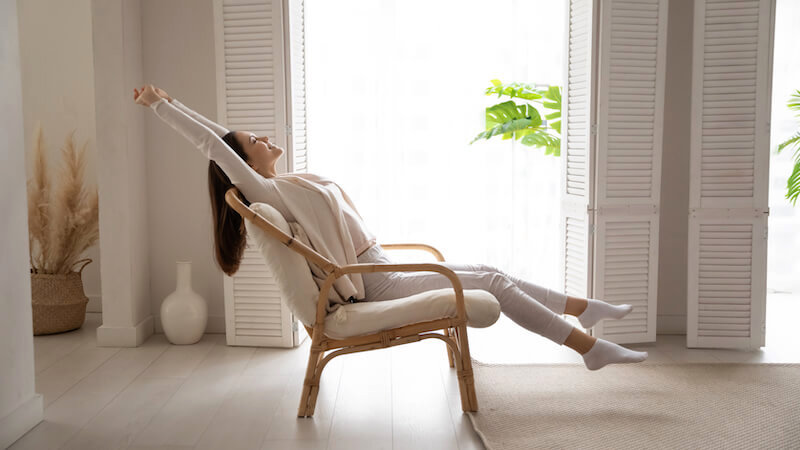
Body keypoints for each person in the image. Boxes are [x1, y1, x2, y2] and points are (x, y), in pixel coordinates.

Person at [133, 84, 648, 371]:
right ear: (243, 162)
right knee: (490, 282)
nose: (266, 137)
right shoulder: (267, 192)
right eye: (254, 139)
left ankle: (585, 311)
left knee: (491, 269)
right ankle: (588, 349)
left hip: (378, 264)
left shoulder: (288, 181)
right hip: (376, 280)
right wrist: (163, 105)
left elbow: (225, 146)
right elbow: (213, 147)